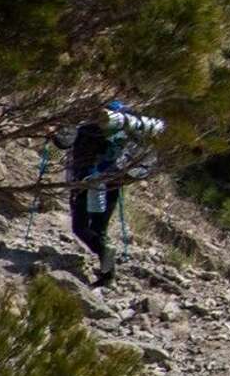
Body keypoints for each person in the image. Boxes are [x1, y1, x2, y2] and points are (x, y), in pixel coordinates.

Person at [57, 101, 164, 286]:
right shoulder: (126, 131)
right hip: (113, 181)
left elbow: (63, 143)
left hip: (86, 180)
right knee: (100, 229)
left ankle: (105, 253)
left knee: (80, 227)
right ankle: (107, 275)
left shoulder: (86, 127)